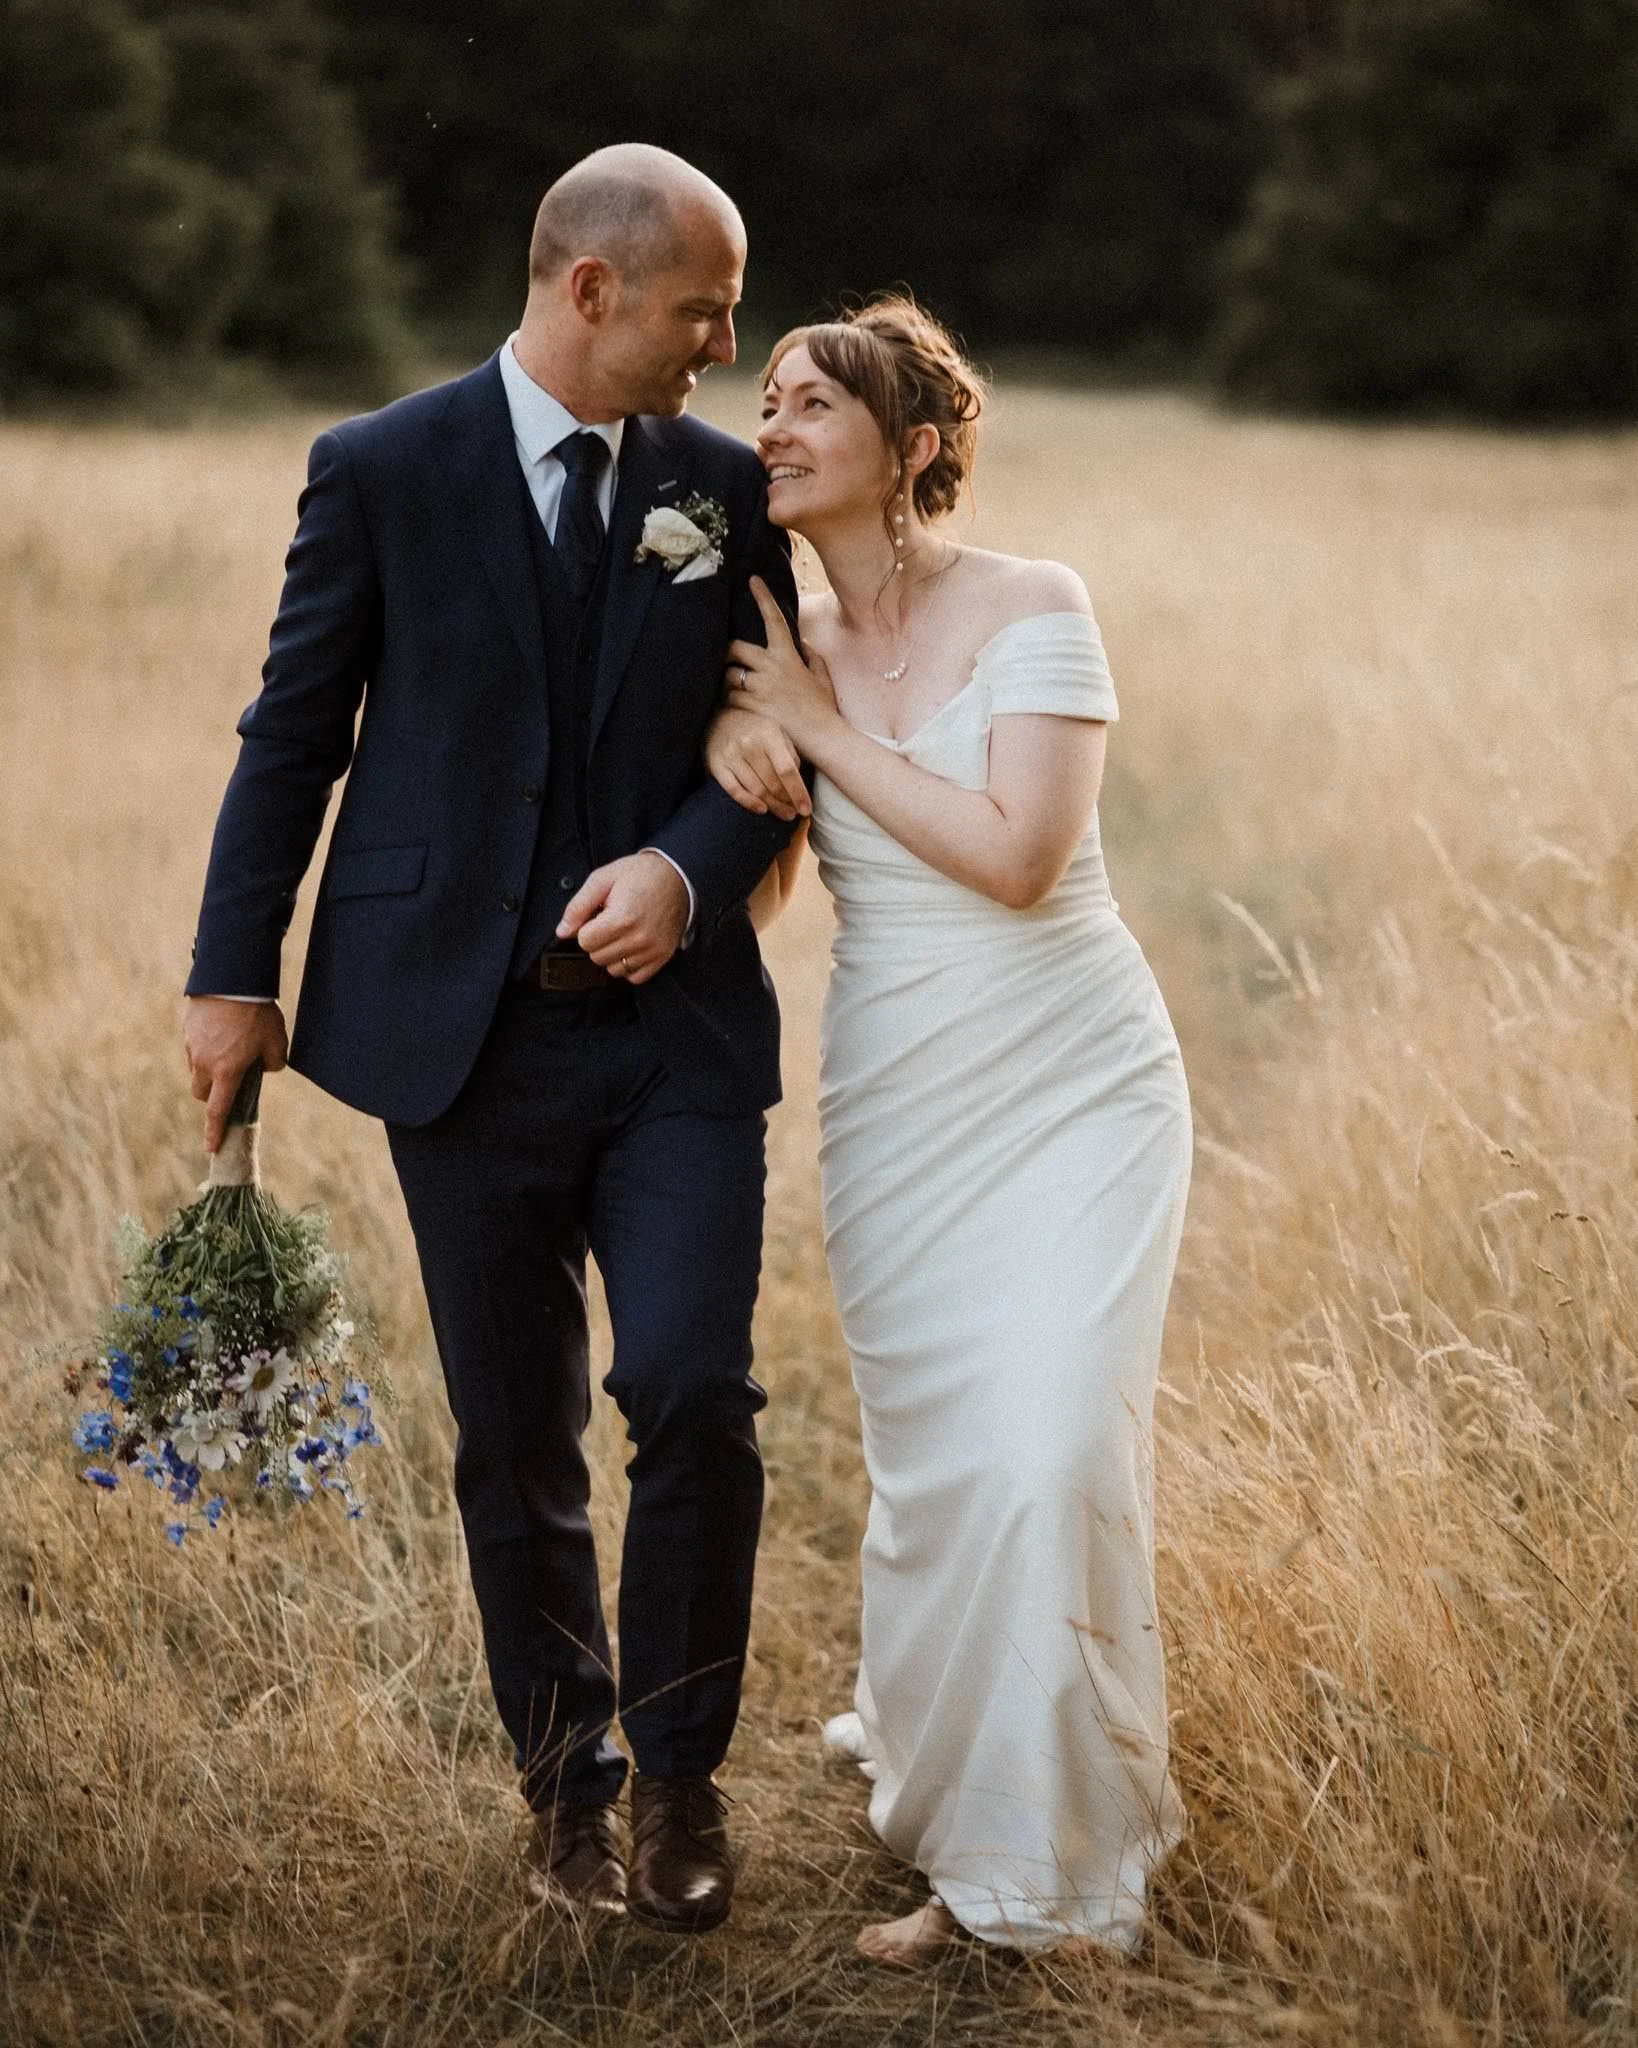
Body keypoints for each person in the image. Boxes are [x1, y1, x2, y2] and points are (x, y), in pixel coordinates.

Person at [181, 144, 802, 1934]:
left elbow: (780, 739)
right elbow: (290, 733)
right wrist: (234, 976)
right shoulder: (379, 468)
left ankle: (683, 1782)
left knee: (690, 1387)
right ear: (591, 288)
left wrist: (691, 872)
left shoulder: (722, 486)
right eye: (703, 306)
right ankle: (568, 1799)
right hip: (452, 1039)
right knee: (511, 1436)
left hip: (677, 1037)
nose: (724, 342)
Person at [706, 296, 1191, 1964]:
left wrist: (820, 727)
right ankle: (950, 1785)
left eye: (810, 403)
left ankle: (1043, 1883)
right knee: (942, 1477)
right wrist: (738, 750)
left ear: (910, 450)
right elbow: (770, 887)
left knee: (1049, 1450)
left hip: (1071, 1082)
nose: (769, 426)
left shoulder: (1033, 604)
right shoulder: (773, 641)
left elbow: (1017, 857)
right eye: (761, 399)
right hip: (898, 1098)